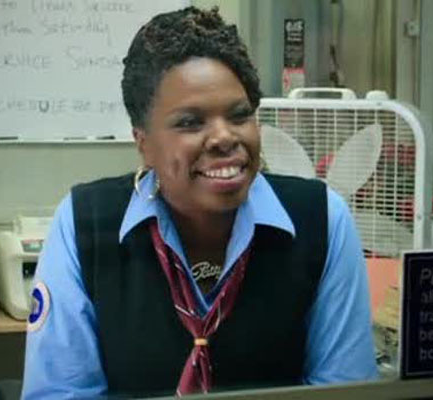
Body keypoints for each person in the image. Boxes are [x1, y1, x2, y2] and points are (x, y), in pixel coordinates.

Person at [21, 6, 378, 399]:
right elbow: (61, 393)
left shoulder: (322, 221)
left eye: (240, 115)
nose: (224, 137)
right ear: (144, 144)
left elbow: (344, 391)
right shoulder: (84, 224)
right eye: (190, 122)